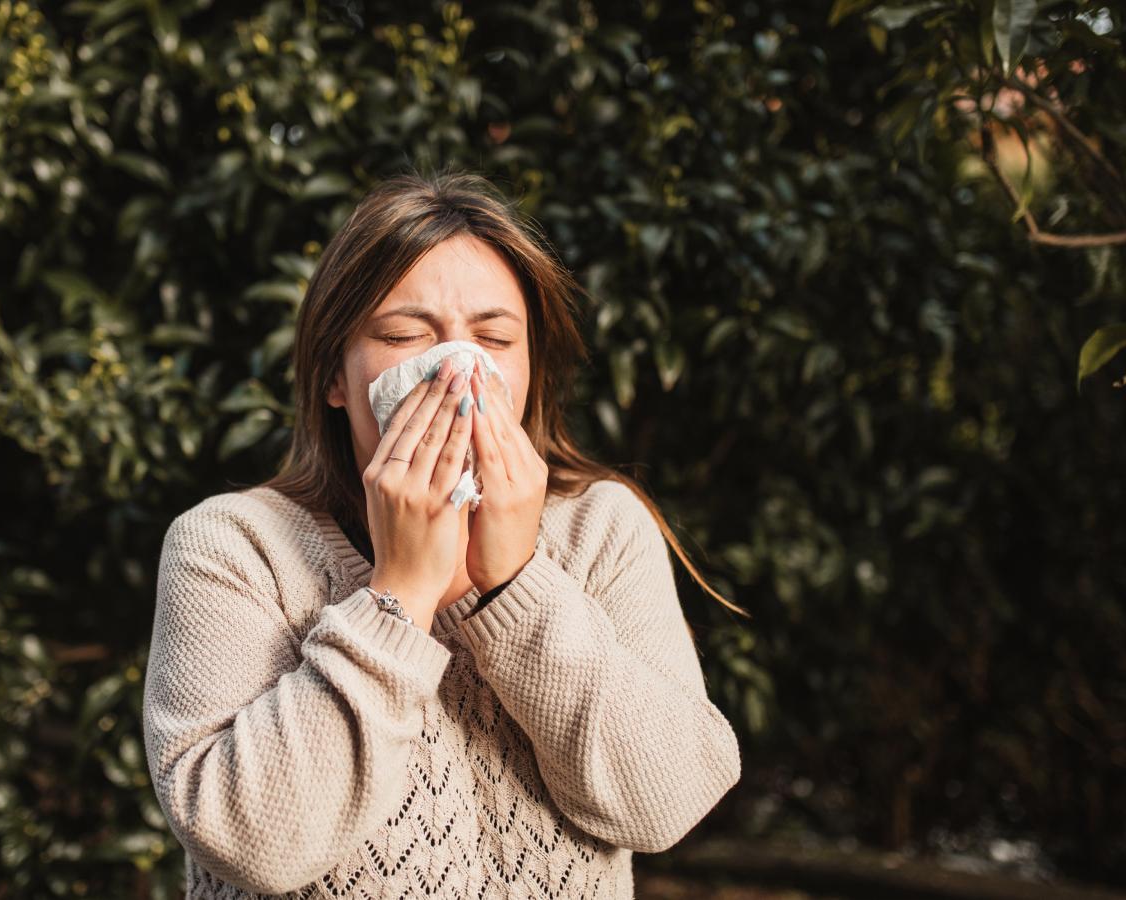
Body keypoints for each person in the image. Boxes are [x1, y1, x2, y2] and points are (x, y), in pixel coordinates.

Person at [142, 168, 744, 899]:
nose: (460, 371)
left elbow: (667, 804)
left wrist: (517, 585)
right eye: (403, 335)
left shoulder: (601, 529)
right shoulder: (233, 547)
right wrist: (401, 593)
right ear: (335, 374)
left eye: (494, 337)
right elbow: (250, 843)